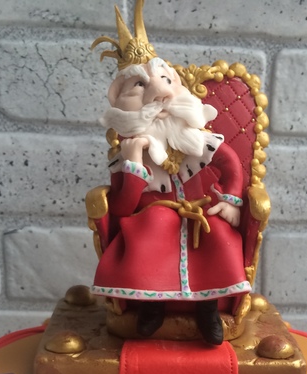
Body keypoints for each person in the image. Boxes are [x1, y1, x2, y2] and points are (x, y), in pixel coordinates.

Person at [90, 3, 250, 345]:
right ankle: (152, 307)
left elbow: (230, 164)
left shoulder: (194, 137)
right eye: (140, 87)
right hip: (153, 219)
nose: (159, 94)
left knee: (218, 236)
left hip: (199, 213)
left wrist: (231, 200)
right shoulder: (127, 153)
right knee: (150, 232)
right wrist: (134, 163)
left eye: (165, 81)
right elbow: (122, 207)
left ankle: (208, 309)